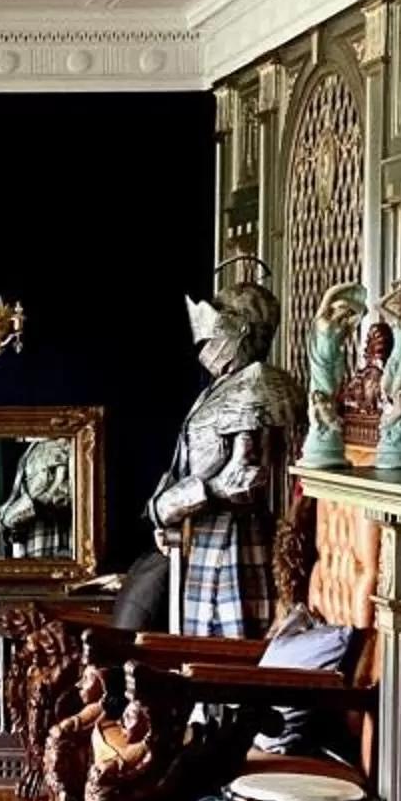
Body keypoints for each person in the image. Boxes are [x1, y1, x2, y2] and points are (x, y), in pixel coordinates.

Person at [116, 268, 299, 637]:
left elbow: (243, 481)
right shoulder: (221, 387)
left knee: (227, 644)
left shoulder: (256, 386)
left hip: (234, 538)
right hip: (203, 532)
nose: (206, 341)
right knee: (198, 645)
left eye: (218, 327)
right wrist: (163, 510)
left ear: (242, 330)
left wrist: (170, 506)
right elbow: (184, 463)